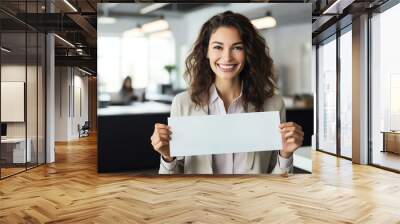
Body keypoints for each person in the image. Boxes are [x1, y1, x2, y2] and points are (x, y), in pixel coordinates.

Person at [150, 11, 304, 174]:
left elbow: (277, 182)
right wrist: (168, 156)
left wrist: (286, 155)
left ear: (248, 52)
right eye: (218, 47)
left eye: (237, 47)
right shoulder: (183, 103)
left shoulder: (273, 104)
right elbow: (174, 184)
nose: (227, 57)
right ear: (206, 51)